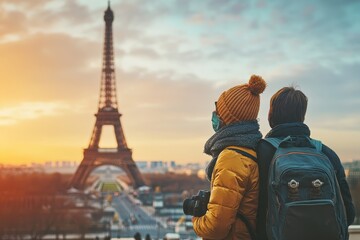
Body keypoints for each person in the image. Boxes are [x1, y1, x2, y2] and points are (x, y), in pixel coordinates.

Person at [256, 86, 356, 240]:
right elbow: (348, 211)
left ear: (271, 114)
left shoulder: (261, 153)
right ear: (302, 116)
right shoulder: (327, 154)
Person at [192, 75, 267, 239]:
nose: (214, 114)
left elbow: (215, 228)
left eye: (218, 110)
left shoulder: (231, 159)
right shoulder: (251, 149)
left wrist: (196, 216)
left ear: (227, 118)